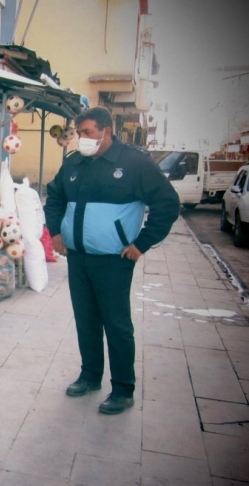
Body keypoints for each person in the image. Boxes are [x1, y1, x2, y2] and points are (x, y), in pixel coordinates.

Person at [43, 106, 180, 414]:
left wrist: (141, 244)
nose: (82, 139)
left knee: (116, 324)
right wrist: (55, 233)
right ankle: (90, 376)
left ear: (106, 131)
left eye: (87, 132)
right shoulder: (74, 163)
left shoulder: (134, 163)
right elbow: (55, 197)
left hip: (114, 261)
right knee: (86, 320)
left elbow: (168, 204)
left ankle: (122, 389)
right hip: (78, 258)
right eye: (79, 133)